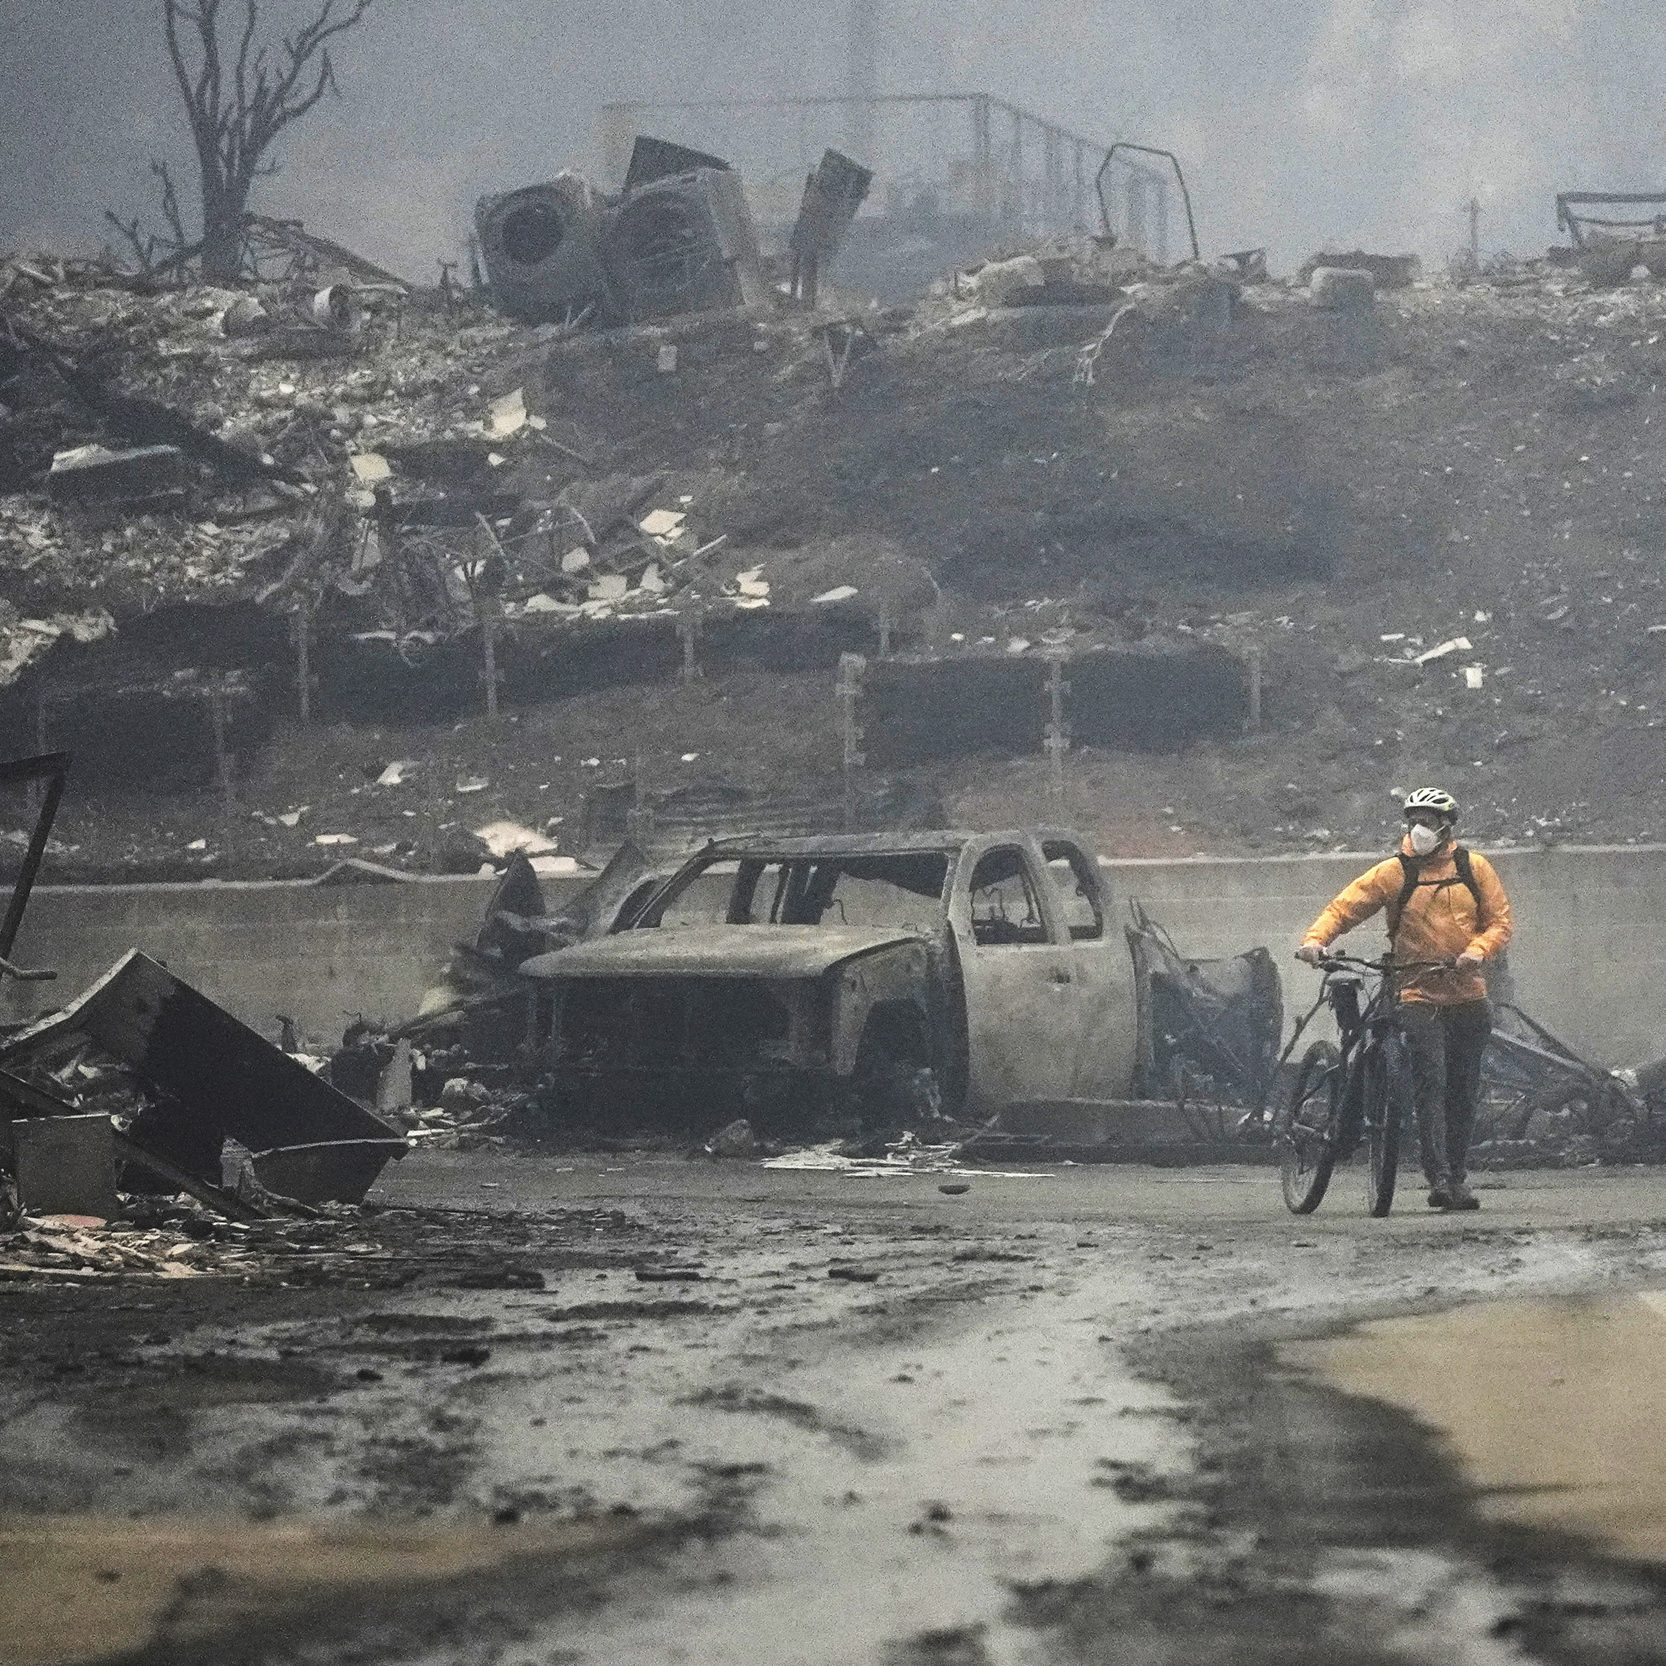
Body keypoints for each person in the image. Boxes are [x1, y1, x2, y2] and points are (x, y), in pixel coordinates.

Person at [1296, 788, 1514, 1210]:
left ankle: (1458, 1173)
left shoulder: (1475, 868)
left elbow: (1500, 922)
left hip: (1468, 993)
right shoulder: (1394, 872)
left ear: (1446, 826)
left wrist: (1477, 952)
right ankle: (1441, 1180)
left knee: (1463, 1089)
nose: (1420, 828)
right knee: (1431, 1082)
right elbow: (1344, 908)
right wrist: (1315, 941)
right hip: (1415, 989)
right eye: (1414, 819)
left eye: (1428, 821)